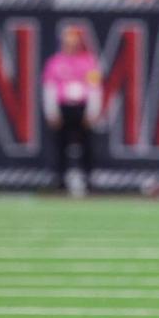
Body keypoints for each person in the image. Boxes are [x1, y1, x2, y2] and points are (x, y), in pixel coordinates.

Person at [42, 25, 101, 194]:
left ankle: (89, 180)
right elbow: (50, 88)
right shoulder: (55, 62)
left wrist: (92, 111)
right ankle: (60, 180)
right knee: (60, 145)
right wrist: (52, 112)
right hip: (63, 107)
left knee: (87, 146)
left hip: (81, 107)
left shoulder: (89, 62)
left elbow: (94, 88)